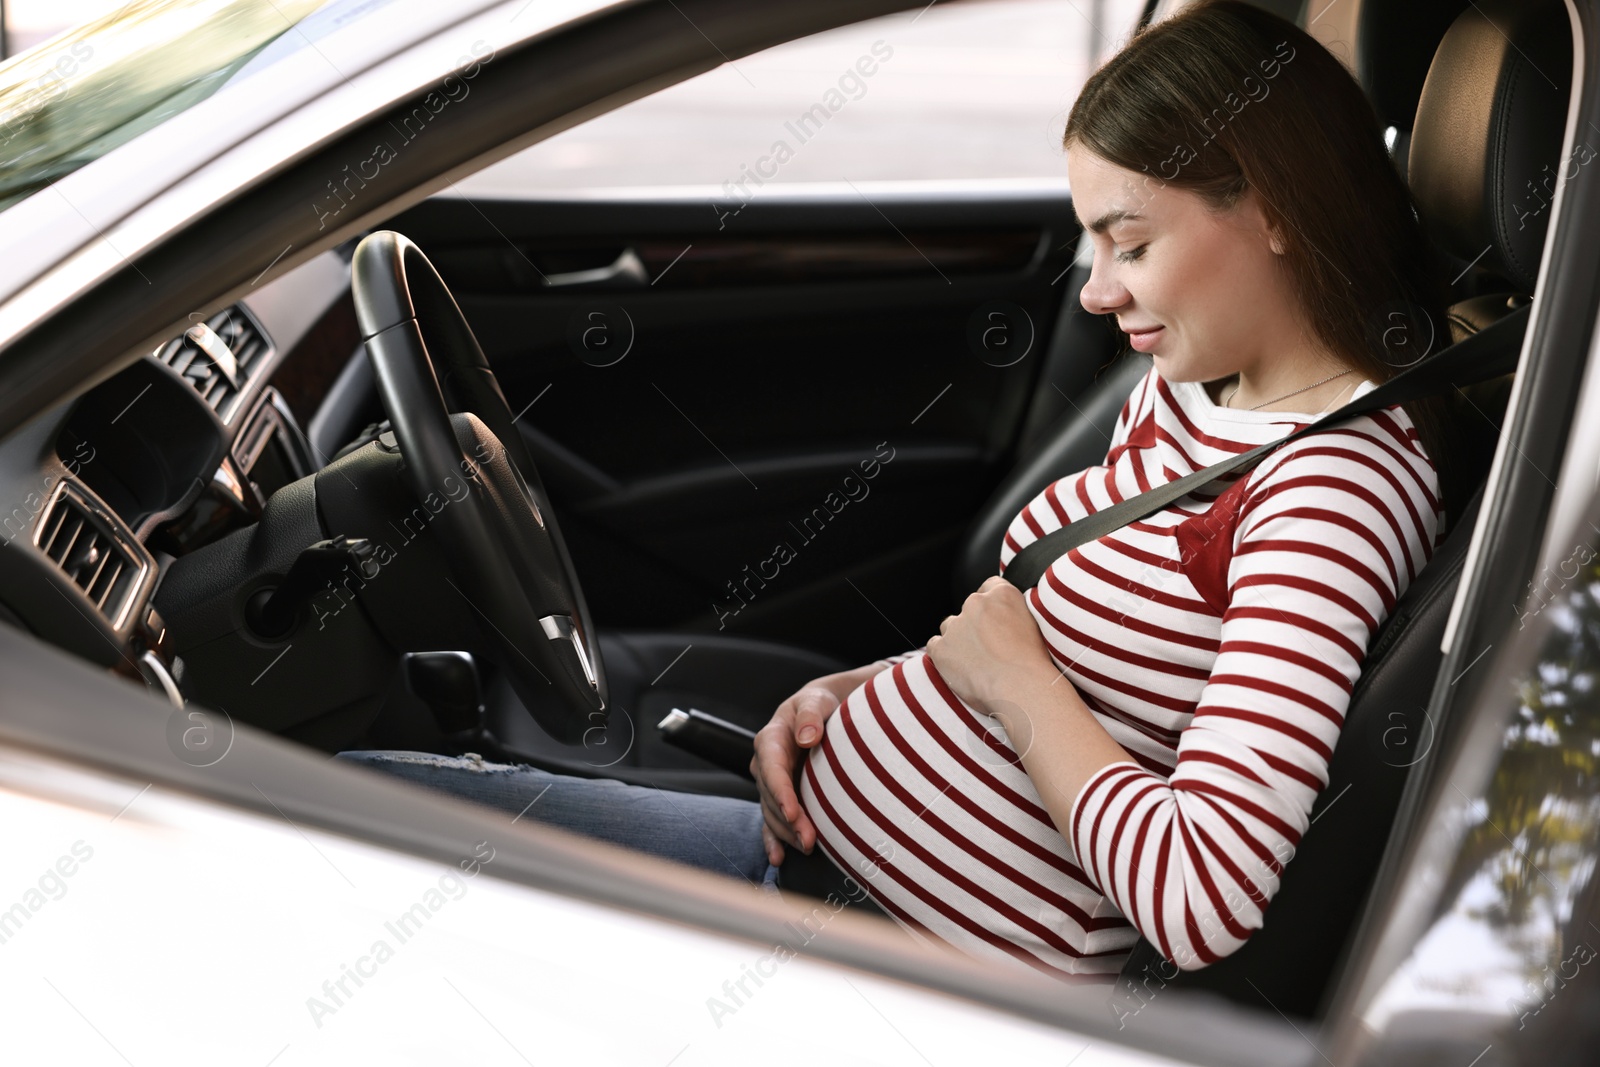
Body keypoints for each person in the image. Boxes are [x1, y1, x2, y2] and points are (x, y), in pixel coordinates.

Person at [338, 0, 1455, 984]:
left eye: (1131, 241)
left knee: (336, 838)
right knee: (356, 805)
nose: (1094, 288)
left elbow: (1202, 891)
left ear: (1274, 211)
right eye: (1085, 241)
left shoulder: (1329, 494)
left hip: (879, 972)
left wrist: (1012, 687)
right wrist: (851, 698)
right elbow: (1062, 651)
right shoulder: (1198, 387)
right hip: (809, 864)